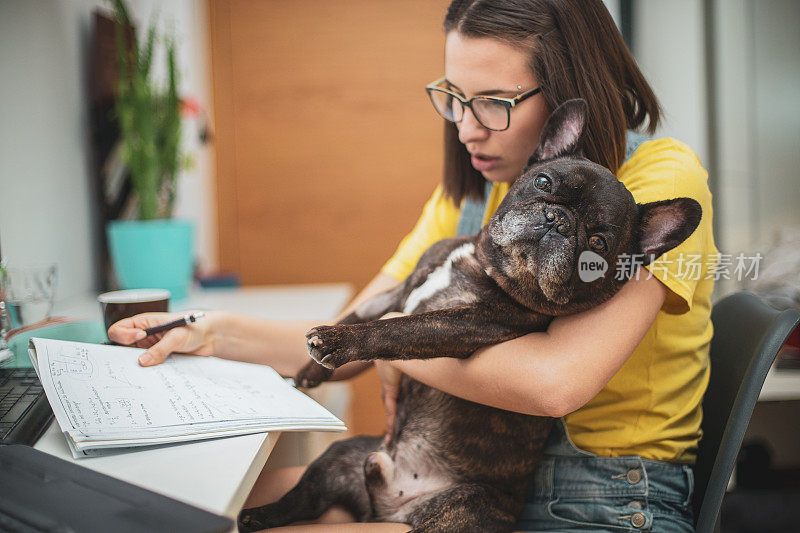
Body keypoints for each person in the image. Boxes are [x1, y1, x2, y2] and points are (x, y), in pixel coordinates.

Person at [109, 1, 718, 531]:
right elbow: (348, 333)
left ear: (569, 96)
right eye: (454, 98)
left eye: (496, 102)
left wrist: (386, 342)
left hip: (607, 495)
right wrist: (213, 332)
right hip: (476, 477)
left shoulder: (652, 186)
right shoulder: (485, 193)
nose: (466, 128)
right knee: (193, 508)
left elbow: (551, 382)